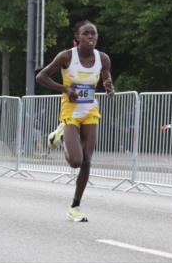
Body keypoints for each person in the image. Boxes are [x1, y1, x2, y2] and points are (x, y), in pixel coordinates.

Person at [36, 21, 114, 222]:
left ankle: (75, 206)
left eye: (94, 34)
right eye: (86, 34)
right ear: (77, 37)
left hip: (90, 111)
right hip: (70, 111)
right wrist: (65, 89)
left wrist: (109, 87)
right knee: (75, 162)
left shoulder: (103, 58)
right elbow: (41, 77)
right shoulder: (66, 56)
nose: (90, 37)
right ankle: (60, 136)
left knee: (87, 161)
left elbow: (108, 82)